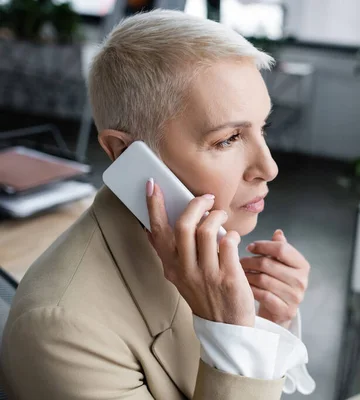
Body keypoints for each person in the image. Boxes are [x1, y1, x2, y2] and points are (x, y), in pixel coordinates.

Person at [0, 9, 315, 400]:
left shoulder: (210, 250)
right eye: (228, 139)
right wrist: (232, 332)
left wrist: (266, 322)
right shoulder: (61, 331)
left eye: (261, 128)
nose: (269, 167)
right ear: (124, 152)